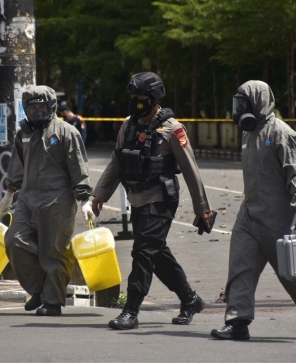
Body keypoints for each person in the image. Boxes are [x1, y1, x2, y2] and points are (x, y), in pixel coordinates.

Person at [91, 72, 214, 330]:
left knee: (143, 252)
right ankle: (190, 300)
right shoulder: (128, 124)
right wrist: (100, 194)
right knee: (155, 253)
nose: (136, 102)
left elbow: (191, 169)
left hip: (161, 198)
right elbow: (117, 162)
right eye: (133, 97)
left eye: (141, 98)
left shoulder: (172, 129)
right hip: (137, 198)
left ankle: (131, 310)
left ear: (154, 98)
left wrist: (202, 208)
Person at [211, 80, 296, 341]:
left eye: (244, 104)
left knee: (291, 275)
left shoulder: (281, 133)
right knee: (240, 267)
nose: (239, 109)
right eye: (238, 103)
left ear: (258, 102)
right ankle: (238, 322)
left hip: (279, 218)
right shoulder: (248, 132)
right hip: (250, 214)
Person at [0, 85, 94, 316]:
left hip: (58, 201)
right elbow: (17, 165)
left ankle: (52, 302)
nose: (37, 111)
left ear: (50, 106)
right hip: (27, 199)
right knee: (14, 241)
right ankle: (40, 290)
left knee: (54, 251)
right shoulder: (23, 134)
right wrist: (10, 192)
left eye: (42, 106)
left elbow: (78, 168)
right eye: (32, 107)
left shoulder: (66, 132)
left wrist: (85, 200)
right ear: (26, 108)